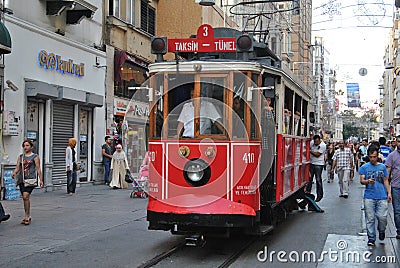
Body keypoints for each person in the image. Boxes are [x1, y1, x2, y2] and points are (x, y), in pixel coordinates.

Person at [359, 145, 392, 246]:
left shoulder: (382, 167)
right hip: (369, 196)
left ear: (378, 156)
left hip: (382, 196)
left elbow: (386, 180)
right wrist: (367, 181)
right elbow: (361, 180)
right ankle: (371, 238)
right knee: (370, 218)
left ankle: (381, 230)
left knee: (382, 217)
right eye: (370, 157)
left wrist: (389, 192)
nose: (372, 159)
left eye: (374, 156)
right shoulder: (364, 167)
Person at [11, 140, 44, 225]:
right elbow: (18, 167)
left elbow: (38, 168)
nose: (25, 147)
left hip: (30, 180)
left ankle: (27, 216)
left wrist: (41, 180)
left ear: (31, 147)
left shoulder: (35, 156)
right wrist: (14, 172)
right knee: (25, 198)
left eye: (27, 145)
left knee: (26, 196)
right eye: (24, 146)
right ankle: (27, 215)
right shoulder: (21, 157)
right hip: (22, 180)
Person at [385, 135, 400, 240]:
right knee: (397, 210)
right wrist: (388, 190)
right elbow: (387, 175)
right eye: (399, 141)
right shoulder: (392, 156)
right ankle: (399, 230)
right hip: (396, 187)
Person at [305, 135, 326, 202]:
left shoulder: (323, 145)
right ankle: (308, 192)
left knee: (318, 179)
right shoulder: (312, 143)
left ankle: (319, 195)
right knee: (309, 179)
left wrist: (310, 151)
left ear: (319, 140)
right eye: (315, 142)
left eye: (317, 142)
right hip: (312, 163)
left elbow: (317, 154)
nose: (315, 143)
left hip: (319, 164)